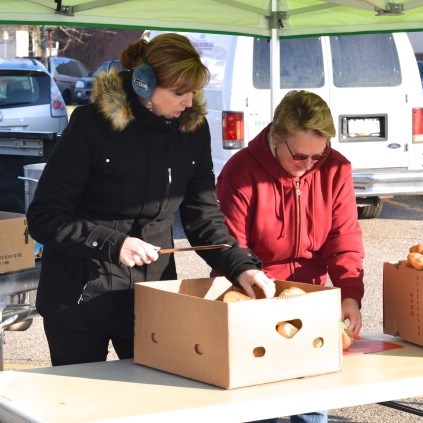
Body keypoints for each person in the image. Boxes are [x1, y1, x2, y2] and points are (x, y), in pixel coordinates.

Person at [26, 33, 275, 367]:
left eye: (193, 93)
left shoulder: (192, 131)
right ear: (144, 85)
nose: (188, 102)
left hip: (152, 300)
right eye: (178, 93)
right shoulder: (91, 125)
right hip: (79, 298)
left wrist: (240, 266)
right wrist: (114, 244)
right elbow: (45, 216)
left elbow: (203, 217)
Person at [216, 90, 365, 423]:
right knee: (258, 404)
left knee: (312, 403)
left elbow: (344, 237)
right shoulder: (240, 172)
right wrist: (260, 292)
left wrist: (350, 296)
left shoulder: (335, 168)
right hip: (252, 297)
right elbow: (230, 248)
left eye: (319, 155)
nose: (309, 165)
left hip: (310, 297)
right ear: (276, 137)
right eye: (300, 156)